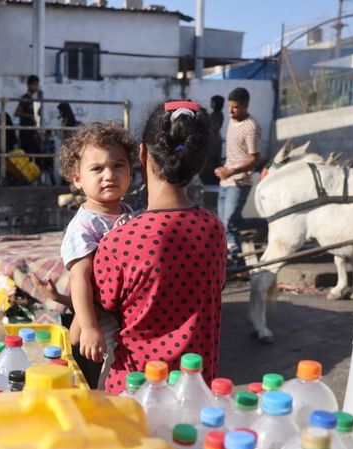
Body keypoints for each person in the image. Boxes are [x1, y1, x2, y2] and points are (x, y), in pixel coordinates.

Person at [93, 101, 226, 394]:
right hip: (196, 395)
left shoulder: (119, 242)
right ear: (199, 163)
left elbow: (99, 310)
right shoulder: (214, 229)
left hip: (135, 395)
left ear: (141, 154)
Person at [55, 122, 137, 387]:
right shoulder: (86, 224)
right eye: (97, 169)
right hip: (105, 324)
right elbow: (80, 278)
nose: (109, 175)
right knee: (112, 377)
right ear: (77, 179)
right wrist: (89, 326)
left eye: (118, 165)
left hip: (125, 314)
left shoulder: (127, 212)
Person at [215, 87, 260, 259]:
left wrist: (232, 171)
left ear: (246, 105)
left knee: (230, 224)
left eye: (235, 107)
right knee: (224, 224)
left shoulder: (252, 127)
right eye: (229, 106)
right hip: (225, 180)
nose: (230, 111)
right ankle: (230, 258)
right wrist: (223, 168)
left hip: (240, 182)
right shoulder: (232, 121)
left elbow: (254, 159)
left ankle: (236, 261)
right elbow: (235, 152)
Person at [15, 74, 42, 156]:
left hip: (32, 131)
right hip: (25, 131)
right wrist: (30, 116)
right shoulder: (25, 98)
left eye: (37, 85)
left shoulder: (32, 99)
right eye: (34, 84)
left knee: (34, 153)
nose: (36, 87)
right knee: (27, 153)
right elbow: (17, 113)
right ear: (29, 85)